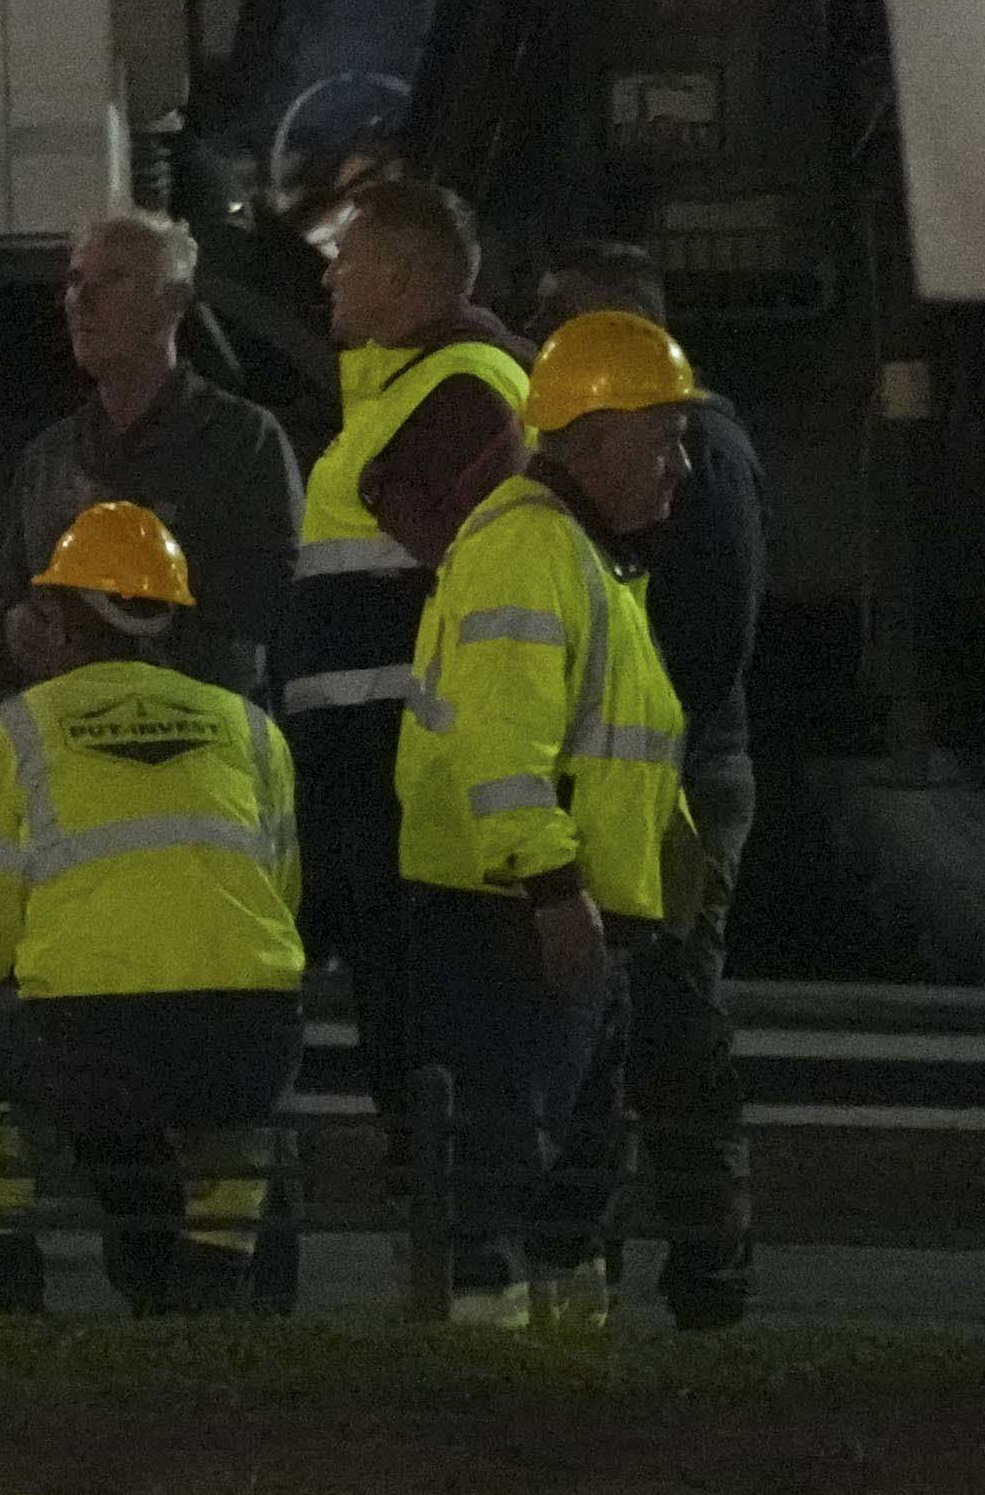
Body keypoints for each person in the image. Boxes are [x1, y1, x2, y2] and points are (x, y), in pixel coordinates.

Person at [399, 303, 700, 1331]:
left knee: (561, 1172)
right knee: (509, 1162)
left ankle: (556, 1367)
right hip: (521, 918)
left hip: (555, 913)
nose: (681, 465)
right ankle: (491, 1381)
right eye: (664, 438)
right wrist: (554, 892)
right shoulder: (532, 552)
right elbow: (502, 747)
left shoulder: (577, 553)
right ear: (597, 436)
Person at [0, 502, 303, 1316]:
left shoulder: (10, 732)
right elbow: (281, 894)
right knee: (236, 1091)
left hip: (90, 1044)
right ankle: (214, 1262)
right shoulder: (249, 728)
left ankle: (4, 1276)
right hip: (249, 1035)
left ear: (61, 623)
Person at [284, 169, 527, 1207]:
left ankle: (438, 1215)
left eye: (345, 252)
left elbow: (477, 574)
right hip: (362, 752)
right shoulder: (405, 390)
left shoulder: (461, 389)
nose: (329, 271)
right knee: (389, 992)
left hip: (393, 753)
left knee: (411, 1000)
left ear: (396, 270)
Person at [540, 242, 763, 1328]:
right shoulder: (671, 447)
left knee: (667, 1023)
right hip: (648, 772)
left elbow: (706, 635)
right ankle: (670, 1264)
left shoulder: (695, 450)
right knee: (640, 1025)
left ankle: (705, 1268)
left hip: (672, 780)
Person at [0, 209, 302, 706]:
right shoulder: (49, 459)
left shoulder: (241, 442)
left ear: (174, 302)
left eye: (113, 279)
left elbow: (275, 608)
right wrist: (14, 634)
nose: (83, 301)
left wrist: (130, 604)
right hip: (80, 749)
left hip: (191, 745)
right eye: (75, 282)